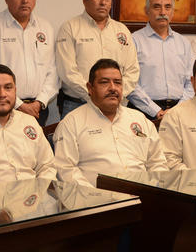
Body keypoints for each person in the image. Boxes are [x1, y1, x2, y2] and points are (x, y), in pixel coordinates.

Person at [55, 59, 167, 188]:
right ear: (90, 88)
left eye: (117, 82)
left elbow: (157, 163)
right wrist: (96, 195)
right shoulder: (71, 123)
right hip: (97, 198)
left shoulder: (140, 120)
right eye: (104, 82)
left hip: (143, 195)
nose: (113, 88)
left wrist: (153, 190)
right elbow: (66, 170)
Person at [55, 0, 139, 118]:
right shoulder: (70, 28)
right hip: (78, 104)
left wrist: (114, 95)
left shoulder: (122, 31)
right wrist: (95, 96)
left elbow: (132, 70)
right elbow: (67, 72)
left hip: (115, 105)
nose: (103, 2)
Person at [128, 0, 193, 120]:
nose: (163, 12)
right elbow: (129, 82)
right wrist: (155, 111)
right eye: (157, 7)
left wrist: (177, 110)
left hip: (180, 111)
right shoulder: (133, 41)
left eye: (167, 7)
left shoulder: (184, 43)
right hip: (143, 111)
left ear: (172, 12)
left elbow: (192, 81)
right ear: (147, 10)